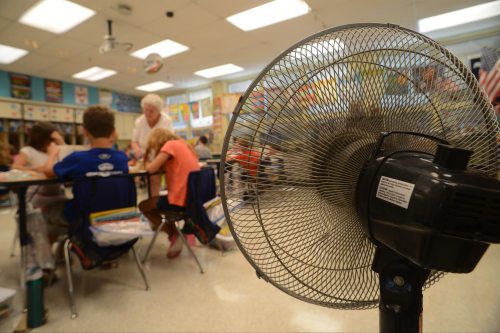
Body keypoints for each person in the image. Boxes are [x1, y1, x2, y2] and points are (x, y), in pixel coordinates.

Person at [43, 106, 129, 243]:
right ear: (113, 132)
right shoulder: (122, 158)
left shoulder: (78, 158)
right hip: (118, 217)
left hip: (85, 217)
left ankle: (51, 258)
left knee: (49, 210)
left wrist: (53, 153)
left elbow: (48, 171)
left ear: (84, 131)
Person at [138, 128, 200, 259]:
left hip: (180, 200)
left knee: (144, 206)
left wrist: (147, 161)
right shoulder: (183, 144)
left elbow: (151, 169)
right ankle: (175, 235)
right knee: (160, 203)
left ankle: (174, 234)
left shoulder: (170, 145)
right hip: (193, 199)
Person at [12, 122, 66, 210]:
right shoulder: (28, 151)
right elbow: (15, 168)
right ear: (42, 138)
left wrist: (62, 142)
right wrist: (34, 169)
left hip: (59, 194)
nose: (53, 142)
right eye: (52, 139)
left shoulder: (56, 150)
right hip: (37, 197)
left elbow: (70, 158)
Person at [131, 94, 173, 196]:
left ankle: (154, 204)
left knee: (154, 178)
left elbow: (170, 142)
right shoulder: (139, 121)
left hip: (161, 155)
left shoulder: (166, 121)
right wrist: (137, 150)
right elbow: (134, 141)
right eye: (146, 110)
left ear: (159, 111)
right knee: (133, 176)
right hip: (145, 157)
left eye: (151, 111)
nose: (147, 113)